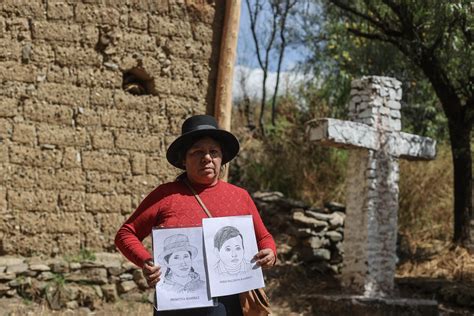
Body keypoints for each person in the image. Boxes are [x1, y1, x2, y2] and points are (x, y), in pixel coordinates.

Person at [115, 114, 276, 316]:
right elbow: (125, 234)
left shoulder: (239, 197)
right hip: (175, 303)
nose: (207, 157)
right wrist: (147, 262)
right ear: (184, 159)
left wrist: (270, 253)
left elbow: (264, 238)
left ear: (221, 158)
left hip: (227, 304)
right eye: (197, 151)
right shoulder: (166, 195)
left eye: (213, 152)